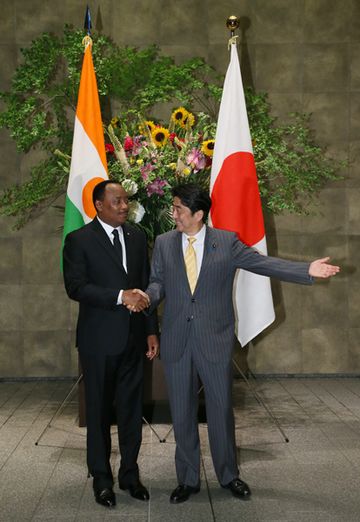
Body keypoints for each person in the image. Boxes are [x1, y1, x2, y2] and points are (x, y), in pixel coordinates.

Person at [143, 183, 340, 504]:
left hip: (214, 341)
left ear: (198, 214)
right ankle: (188, 479)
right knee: (181, 412)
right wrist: (145, 297)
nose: (173, 214)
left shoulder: (226, 241)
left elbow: (264, 264)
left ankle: (229, 476)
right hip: (178, 341)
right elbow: (157, 283)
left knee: (220, 411)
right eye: (173, 207)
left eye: (178, 209)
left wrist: (306, 269)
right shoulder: (165, 243)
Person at [63, 180, 159, 508]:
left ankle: (130, 475)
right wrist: (120, 297)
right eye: (117, 201)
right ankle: (102, 479)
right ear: (98, 206)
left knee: (132, 412)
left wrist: (150, 331)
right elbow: (75, 287)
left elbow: (144, 287)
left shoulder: (136, 237)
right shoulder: (79, 240)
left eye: (125, 201)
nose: (124, 206)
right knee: (100, 413)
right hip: (98, 341)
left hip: (133, 340)